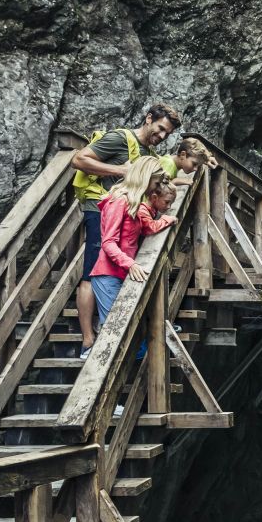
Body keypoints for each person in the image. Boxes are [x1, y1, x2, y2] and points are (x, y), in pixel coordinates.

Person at [71, 102, 182, 358]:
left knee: (113, 270)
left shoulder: (149, 154)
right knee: (90, 273)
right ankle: (89, 340)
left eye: (167, 133)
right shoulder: (120, 139)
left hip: (127, 215)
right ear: (148, 118)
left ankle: (117, 334)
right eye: (161, 128)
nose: (162, 135)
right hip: (101, 210)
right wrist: (121, 170)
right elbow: (79, 159)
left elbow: (157, 178)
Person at [88, 158, 177, 329]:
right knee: (114, 330)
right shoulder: (119, 200)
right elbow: (108, 243)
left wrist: (164, 219)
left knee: (128, 330)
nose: (157, 188)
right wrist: (131, 264)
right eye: (156, 182)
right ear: (145, 178)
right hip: (108, 275)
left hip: (122, 273)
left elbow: (145, 229)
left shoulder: (133, 202)